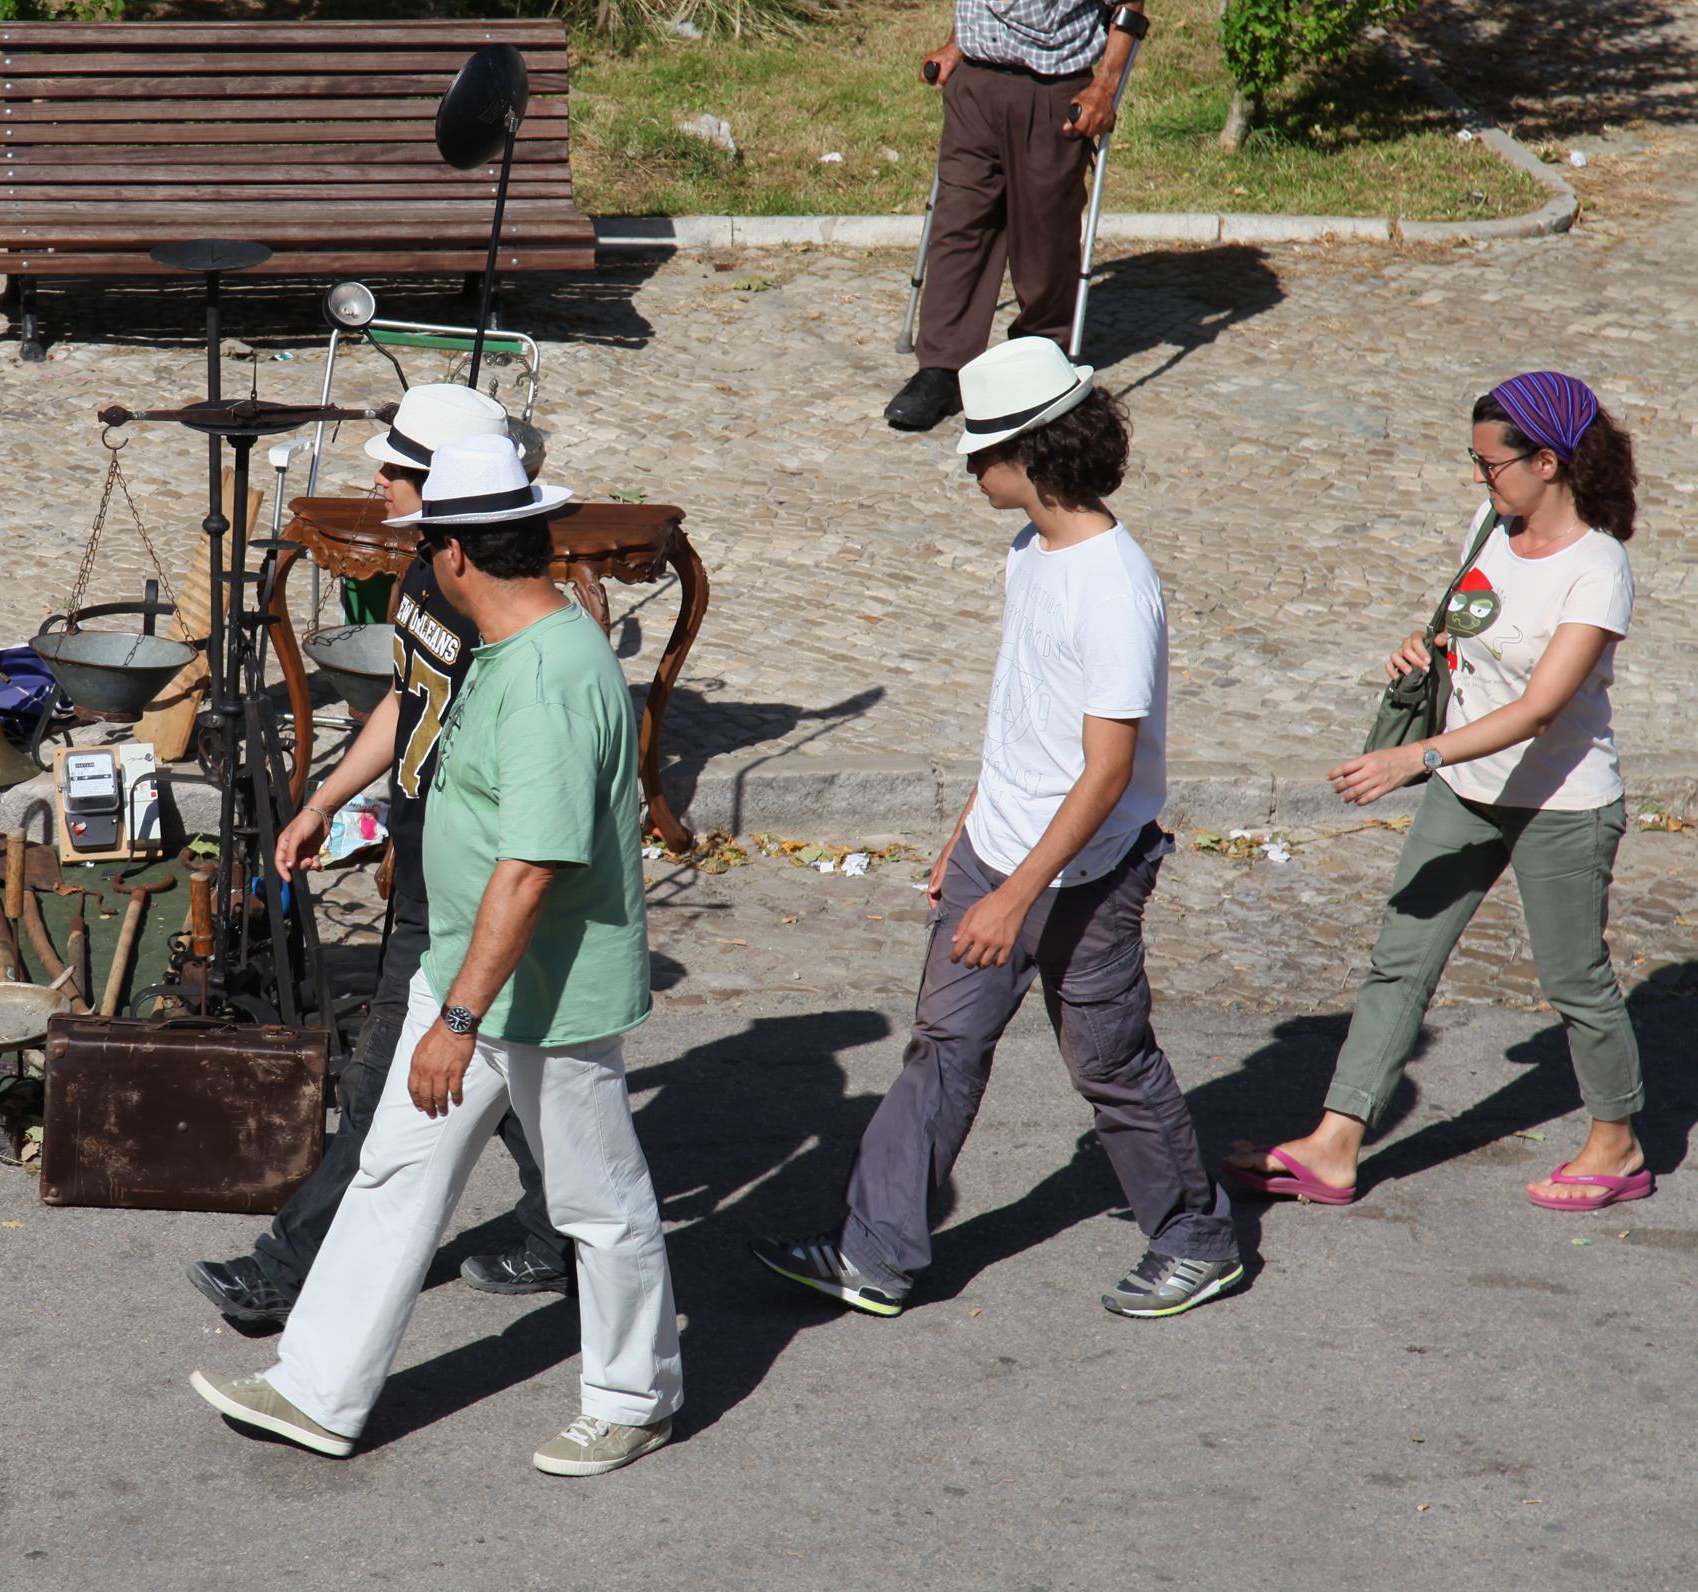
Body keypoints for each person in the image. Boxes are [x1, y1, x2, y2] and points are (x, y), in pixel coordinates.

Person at [191, 434, 682, 1477]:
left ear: (456, 554)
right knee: (392, 1173)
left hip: (539, 993)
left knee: (598, 1201)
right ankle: (318, 1385)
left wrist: (457, 1017)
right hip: (468, 967)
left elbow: (532, 867)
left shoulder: (549, 673)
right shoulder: (507, 647)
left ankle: (634, 1394)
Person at [755, 336, 1240, 1318]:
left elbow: (1106, 773)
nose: (969, 466)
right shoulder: (1031, 551)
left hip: (1085, 877)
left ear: (1035, 453)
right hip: (999, 854)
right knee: (942, 1043)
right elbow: (1023, 720)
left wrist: (1017, 894)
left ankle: (1196, 1237)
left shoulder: (1114, 587)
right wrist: (970, 834)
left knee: (1106, 1060)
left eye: (982, 449)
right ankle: (874, 1254)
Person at [185, 384, 570, 1327]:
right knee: (514, 1074)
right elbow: (405, 700)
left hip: (471, 871)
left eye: (394, 464)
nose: (377, 475)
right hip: (424, 849)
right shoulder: (421, 577)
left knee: (384, 1079)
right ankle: (570, 1224)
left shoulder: (498, 602)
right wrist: (326, 797)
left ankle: (292, 1267)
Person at [1228, 373, 1646, 1212]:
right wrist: (1422, 651)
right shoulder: (1492, 525)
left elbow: (1539, 709)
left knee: (1574, 982)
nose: (1481, 479)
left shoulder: (1597, 568)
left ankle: (1619, 1144)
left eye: (1491, 465)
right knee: (1400, 960)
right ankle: (1336, 1145)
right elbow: (1470, 627)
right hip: (1466, 786)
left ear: (1549, 461)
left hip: (1560, 803)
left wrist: (1415, 758)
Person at [886, 1, 1147, 433]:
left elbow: (1129, 6)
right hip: (975, 80)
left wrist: (1104, 86)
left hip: (1053, 85)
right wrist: (956, 46)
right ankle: (943, 368)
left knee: (1044, 235)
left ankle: (1039, 354)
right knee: (958, 224)